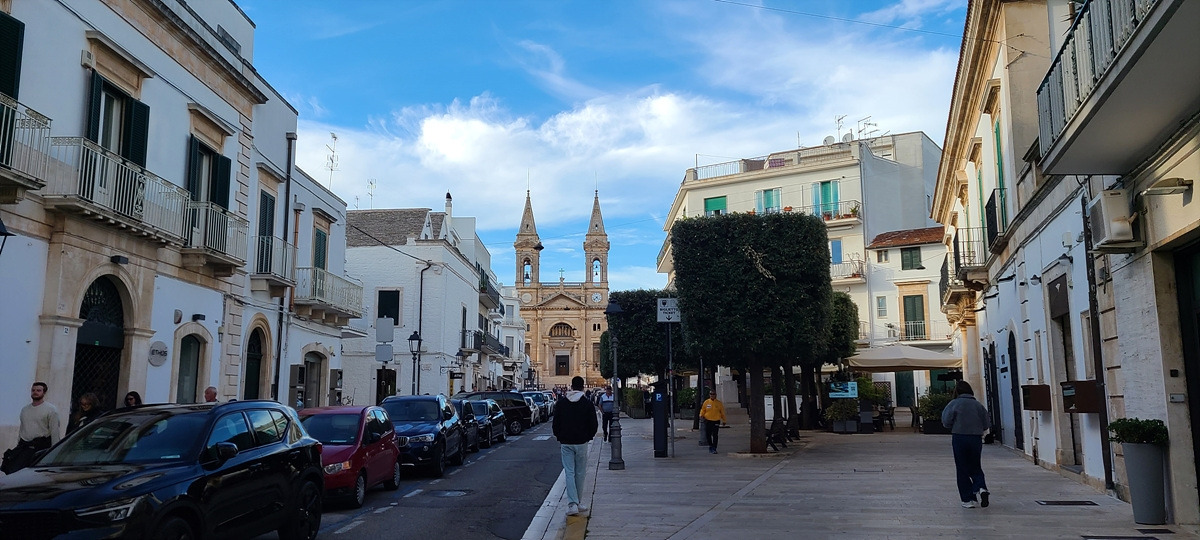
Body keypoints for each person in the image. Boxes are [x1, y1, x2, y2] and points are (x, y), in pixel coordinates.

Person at [552, 376, 598, 516]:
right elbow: (594, 424)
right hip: (581, 442)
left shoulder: (561, 403)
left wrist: (560, 436)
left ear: (571, 387)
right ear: (583, 387)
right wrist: (588, 437)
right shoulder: (587, 403)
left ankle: (573, 503)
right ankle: (577, 502)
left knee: (569, 472)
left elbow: (555, 423)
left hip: (566, 442)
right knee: (580, 473)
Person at [941, 380, 991, 509]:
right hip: (976, 438)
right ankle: (981, 487)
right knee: (975, 465)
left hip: (960, 437)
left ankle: (967, 499)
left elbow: (946, 421)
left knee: (962, 468)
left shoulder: (954, 404)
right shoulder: (978, 405)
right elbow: (986, 424)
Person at [2, 382, 61, 474]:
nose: (35, 392)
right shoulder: (25, 410)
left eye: (38, 390)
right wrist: (19, 444)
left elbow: (55, 431)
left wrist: (54, 452)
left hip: (41, 447)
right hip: (24, 446)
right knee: (11, 469)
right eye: (33, 390)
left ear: (44, 392)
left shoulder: (51, 410)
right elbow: (23, 428)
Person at [700, 389, 727, 454]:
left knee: (715, 435)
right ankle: (710, 446)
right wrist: (701, 415)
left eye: (713, 394)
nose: (712, 395)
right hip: (708, 421)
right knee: (708, 434)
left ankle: (714, 448)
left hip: (716, 421)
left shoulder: (719, 403)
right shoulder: (706, 402)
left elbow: (722, 412)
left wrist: (724, 420)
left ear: (716, 395)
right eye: (711, 394)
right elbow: (703, 410)